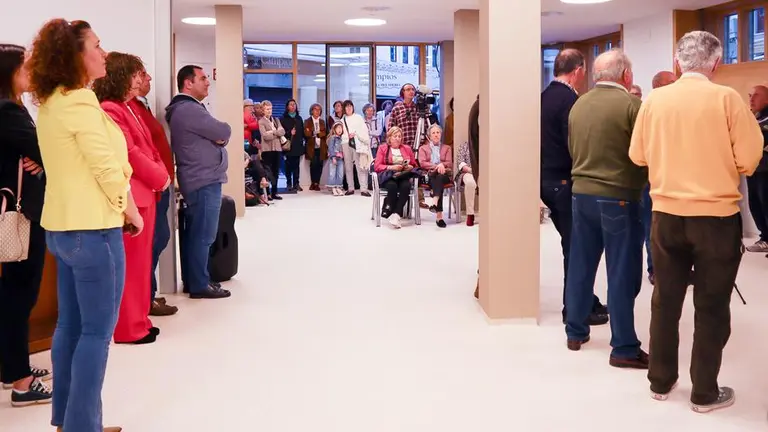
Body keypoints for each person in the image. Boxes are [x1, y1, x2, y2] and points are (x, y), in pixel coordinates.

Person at [629, 30, 763, 413]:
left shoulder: (655, 100)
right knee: (711, 305)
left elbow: (638, 154)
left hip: (666, 215)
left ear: (677, 63)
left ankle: (660, 379)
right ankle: (704, 392)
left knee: (665, 299)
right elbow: (750, 159)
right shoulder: (727, 100)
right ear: (716, 64)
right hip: (716, 218)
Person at [30, 19, 143, 432]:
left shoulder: (54, 102)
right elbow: (106, 167)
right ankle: (82, 427)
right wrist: (129, 209)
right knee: (96, 332)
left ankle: (68, 420)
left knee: (71, 327)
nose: (103, 52)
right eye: (96, 45)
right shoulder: (79, 102)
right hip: (93, 229)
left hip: (63, 230)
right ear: (76, 56)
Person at [564, 49, 648, 371]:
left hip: (580, 195)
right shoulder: (632, 106)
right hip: (619, 197)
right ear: (626, 75)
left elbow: (574, 149)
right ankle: (624, 346)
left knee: (581, 265)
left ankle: (575, 331)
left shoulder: (579, 104)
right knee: (622, 273)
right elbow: (643, 154)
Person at [95, 52, 170, 345]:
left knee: (140, 263)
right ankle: (129, 327)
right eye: (136, 74)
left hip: (145, 193)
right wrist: (160, 176)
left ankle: (140, 320)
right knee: (131, 264)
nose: (141, 80)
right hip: (135, 194)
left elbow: (146, 148)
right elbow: (130, 153)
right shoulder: (111, 110)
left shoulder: (127, 107)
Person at [0, 44, 52, 407]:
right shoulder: (7, 111)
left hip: (24, 212)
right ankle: (20, 381)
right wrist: (43, 159)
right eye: (26, 68)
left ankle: (11, 369)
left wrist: (41, 160)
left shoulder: (14, 109)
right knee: (20, 296)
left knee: (17, 295)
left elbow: (40, 152)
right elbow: (47, 148)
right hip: (21, 215)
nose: (31, 74)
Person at [540, 48, 608, 324]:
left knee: (574, 243)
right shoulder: (571, 101)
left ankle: (584, 300)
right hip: (565, 181)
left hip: (545, 180)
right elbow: (575, 143)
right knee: (578, 246)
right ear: (578, 71)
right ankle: (576, 308)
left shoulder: (544, 97)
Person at [166, 65, 232, 299]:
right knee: (203, 235)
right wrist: (220, 135)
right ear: (188, 83)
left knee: (200, 233)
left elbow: (218, 134)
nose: (208, 82)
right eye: (203, 78)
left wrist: (218, 137)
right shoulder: (188, 109)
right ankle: (199, 284)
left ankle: (198, 279)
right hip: (202, 180)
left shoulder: (190, 109)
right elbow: (223, 129)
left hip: (202, 178)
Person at [129, 68, 179, 316]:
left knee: (159, 238)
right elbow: (137, 151)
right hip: (150, 185)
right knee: (154, 240)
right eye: (142, 74)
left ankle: (148, 295)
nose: (148, 78)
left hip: (160, 182)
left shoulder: (142, 107)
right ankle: (144, 298)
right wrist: (160, 176)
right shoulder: (125, 109)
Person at [641, 71, 678, 285]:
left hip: (677, 179)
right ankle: (655, 268)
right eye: (672, 83)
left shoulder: (681, 111)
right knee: (652, 227)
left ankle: (678, 268)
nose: (677, 86)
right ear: (658, 86)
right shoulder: (648, 110)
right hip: (653, 179)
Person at [374, 126, 417, 229]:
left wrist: (410, 166)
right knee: (392, 187)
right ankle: (390, 209)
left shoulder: (406, 148)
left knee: (406, 186)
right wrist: (391, 167)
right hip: (388, 176)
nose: (397, 138)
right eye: (395, 136)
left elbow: (415, 165)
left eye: (399, 136)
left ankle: (396, 214)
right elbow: (377, 166)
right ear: (389, 137)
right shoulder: (383, 148)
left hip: (403, 175)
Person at [745, 84, 768, 253]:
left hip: (766, 170)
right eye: (750, 95)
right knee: (755, 203)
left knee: (766, 202)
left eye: (756, 95)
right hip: (753, 168)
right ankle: (765, 237)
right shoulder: (751, 117)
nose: (752, 99)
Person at [418, 124, 453, 228]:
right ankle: (439, 217)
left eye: (438, 132)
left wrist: (442, 166)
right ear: (429, 135)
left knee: (440, 177)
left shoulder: (447, 148)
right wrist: (438, 166)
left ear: (441, 134)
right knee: (438, 179)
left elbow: (449, 163)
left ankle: (434, 202)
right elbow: (423, 163)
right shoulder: (423, 148)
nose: (436, 135)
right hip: (429, 175)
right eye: (433, 133)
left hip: (444, 174)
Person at [341, 100, 372, 196]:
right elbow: (340, 133)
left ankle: (364, 189)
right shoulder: (342, 120)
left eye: (350, 106)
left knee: (361, 166)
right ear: (344, 108)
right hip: (346, 143)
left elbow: (364, 130)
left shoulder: (358, 117)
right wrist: (348, 136)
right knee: (348, 166)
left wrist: (356, 134)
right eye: (346, 106)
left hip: (358, 144)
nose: (349, 108)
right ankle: (350, 188)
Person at [257, 100, 285, 201]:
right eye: (267, 109)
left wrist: (272, 132)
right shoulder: (261, 122)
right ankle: (267, 193)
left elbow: (282, 131)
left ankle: (274, 192)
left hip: (277, 148)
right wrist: (276, 133)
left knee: (276, 171)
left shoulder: (276, 120)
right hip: (267, 150)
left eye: (271, 109)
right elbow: (265, 136)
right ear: (263, 110)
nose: (269, 111)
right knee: (268, 172)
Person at [281, 99, 305, 192]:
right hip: (288, 146)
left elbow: (302, 131)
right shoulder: (283, 119)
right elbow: (281, 133)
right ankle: (288, 183)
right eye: (291, 104)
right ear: (287, 107)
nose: (293, 106)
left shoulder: (299, 118)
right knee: (288, 166)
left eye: (294, 104)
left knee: (296, 166)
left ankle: (296, 183)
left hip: (297, 146)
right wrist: (289, 133)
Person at [303, 103, 327, 191]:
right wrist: (315, 132)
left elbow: (324, 133)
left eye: (319, 110)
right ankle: (313, 182)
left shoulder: (322, 121)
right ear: (312, 111)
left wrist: (315, 132)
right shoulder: (307, 121)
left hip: (321, 147)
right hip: (311, 147)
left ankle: (317, 183)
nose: (317, 111)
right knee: (313, 165)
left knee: (320, 165)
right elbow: (306, 133)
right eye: (315, 109)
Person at [456, 141, 477, 227]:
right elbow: (461, 163)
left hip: (486, 171)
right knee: (470, 182)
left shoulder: (488, 144)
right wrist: (472, 171)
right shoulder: (464, 146)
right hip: (469, 171)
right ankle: (470, 214)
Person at [326, 122, 346, 196]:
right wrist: (333, 157)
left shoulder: (342, 138)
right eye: (338, 128)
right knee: (332, 173)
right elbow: (331, 148)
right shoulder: (332, 138)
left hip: (340, 158)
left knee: (340, 173)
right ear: (334, 129)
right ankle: (333, 187)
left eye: (341, 128)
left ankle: (338, 187)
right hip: (333, 158)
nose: (339, 130)